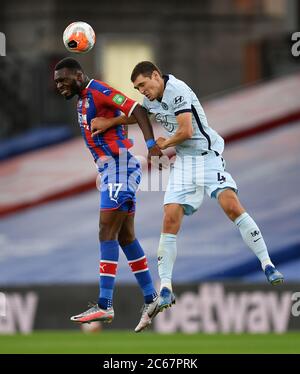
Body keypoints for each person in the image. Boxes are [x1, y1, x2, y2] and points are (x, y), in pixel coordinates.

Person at [91, 61, 284, 313]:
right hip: (183, 162)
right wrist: (110, 123)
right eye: (137, 88)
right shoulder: (153, 97)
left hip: (207, 156)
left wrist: (161, 143)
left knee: (230, 205)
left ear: (156, 76)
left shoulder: (177, 90)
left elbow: (186, 130)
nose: (142, 91)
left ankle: (267, 264)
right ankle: (166, 288)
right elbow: (136, 114)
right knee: (170, 217)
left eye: (143, 85)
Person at [54, 57, 163, 332]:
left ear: (78, 75)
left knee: (106, 231)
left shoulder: (98, 90)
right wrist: (112, 121)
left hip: (119, 168)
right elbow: (122, 117)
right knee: (125, 237)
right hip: (110, 172)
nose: (59, 86)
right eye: (56, 82)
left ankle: (104, 304)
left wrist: (151, 145)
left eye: (63, 79)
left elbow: (138, 108)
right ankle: (151, 298)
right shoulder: (82, 100)